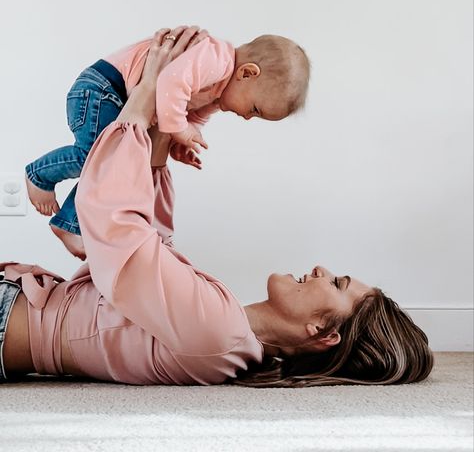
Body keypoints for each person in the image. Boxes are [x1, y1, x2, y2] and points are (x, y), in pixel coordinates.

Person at [1, 30, 433, 387]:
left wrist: (142, 100)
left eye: (338, 283)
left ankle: (41, 174)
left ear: (322, 334)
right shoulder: (227, 332)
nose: (322, 268)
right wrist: (161, 144)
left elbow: (121, 236)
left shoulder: (219, 331)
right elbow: (152, 247)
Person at [24, 26, 310, 260]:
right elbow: (171, 84)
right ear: (247, 73)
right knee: (97, 156)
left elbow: (191, 115)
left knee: (111, 163)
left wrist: (181, 142)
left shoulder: (218, 92)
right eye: (255, 110)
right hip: (102, 88)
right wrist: (180, 128)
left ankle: (69, 223)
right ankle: (40, 175)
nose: (248, 118)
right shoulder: (214, 58)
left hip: (119, 98)